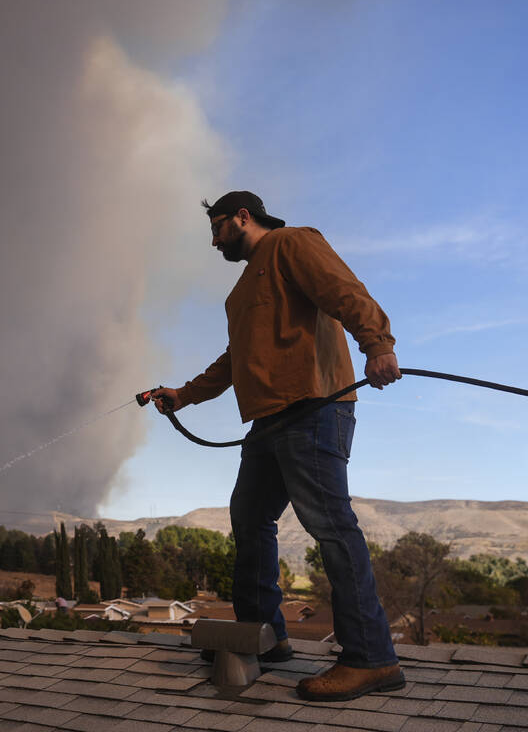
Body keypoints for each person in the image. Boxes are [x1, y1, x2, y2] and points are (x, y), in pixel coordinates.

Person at [151, 191, 403, 702]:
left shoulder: (292, 243)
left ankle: (372, 659)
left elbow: (342, 290)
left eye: (218, 227)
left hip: (312, 406)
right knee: (248, 516)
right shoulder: (241, 290)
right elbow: (234, 359)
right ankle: (265, 637)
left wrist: (377, 344)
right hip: (268, 420)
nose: (214, 239)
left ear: (243, 217)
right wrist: (184, 395)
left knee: (330, 526)